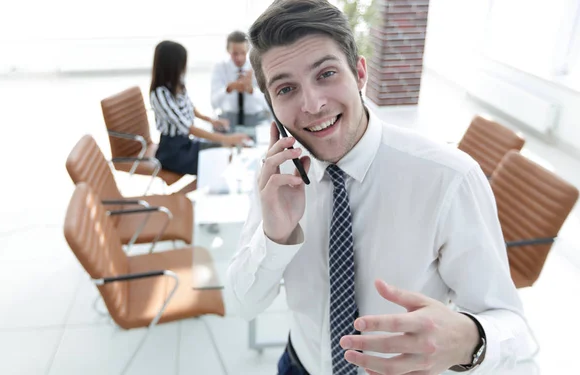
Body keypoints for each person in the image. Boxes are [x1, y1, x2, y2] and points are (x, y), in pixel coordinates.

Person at [227, 1, 533, 375]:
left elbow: (514, 327)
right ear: (272, 107)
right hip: (299, 365)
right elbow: (244, 306)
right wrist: (274, 236)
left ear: (359, 73)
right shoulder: (278, 178)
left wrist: (472, 339)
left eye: (325, 74)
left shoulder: (448, 178)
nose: (313, 104)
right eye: (286, 88)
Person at [150, 40, 251, 192]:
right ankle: (176, 197)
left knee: (223, 154)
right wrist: (228, 139)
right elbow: (188, 128)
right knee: (217, 160)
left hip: (186, 144)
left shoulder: (177, 84)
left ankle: (179, 196)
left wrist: (211, 120)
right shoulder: (159, 94)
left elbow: (190, 108)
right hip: (172, 151)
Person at [210, 30, 271, 132]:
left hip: (256, 120)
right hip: (228, 120)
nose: (239, 58)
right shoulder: (220, 68)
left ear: (248, 50)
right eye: (234, 53)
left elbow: (269, 104)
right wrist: (228, 89)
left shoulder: (257, 67)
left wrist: (251, 91)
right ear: (227, 50)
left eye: (242, 53)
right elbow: (214, 104)